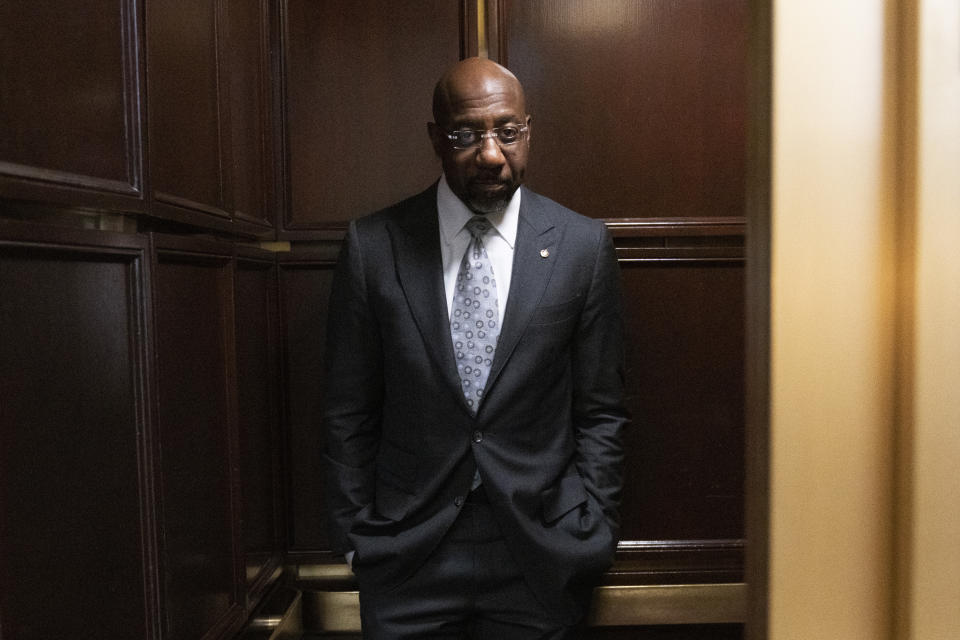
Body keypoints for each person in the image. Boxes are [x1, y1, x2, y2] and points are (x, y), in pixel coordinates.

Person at [322, 56, 629, 639]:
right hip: (407, 553)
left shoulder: (581, 247)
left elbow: (602, 409)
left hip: (539, 551)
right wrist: (356, 539)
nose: (491, 154)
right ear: (436, 138)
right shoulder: (373, 245)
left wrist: (593, 529)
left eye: (508, 132)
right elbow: (347, 411)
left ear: (527, 130)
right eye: (467, 135)